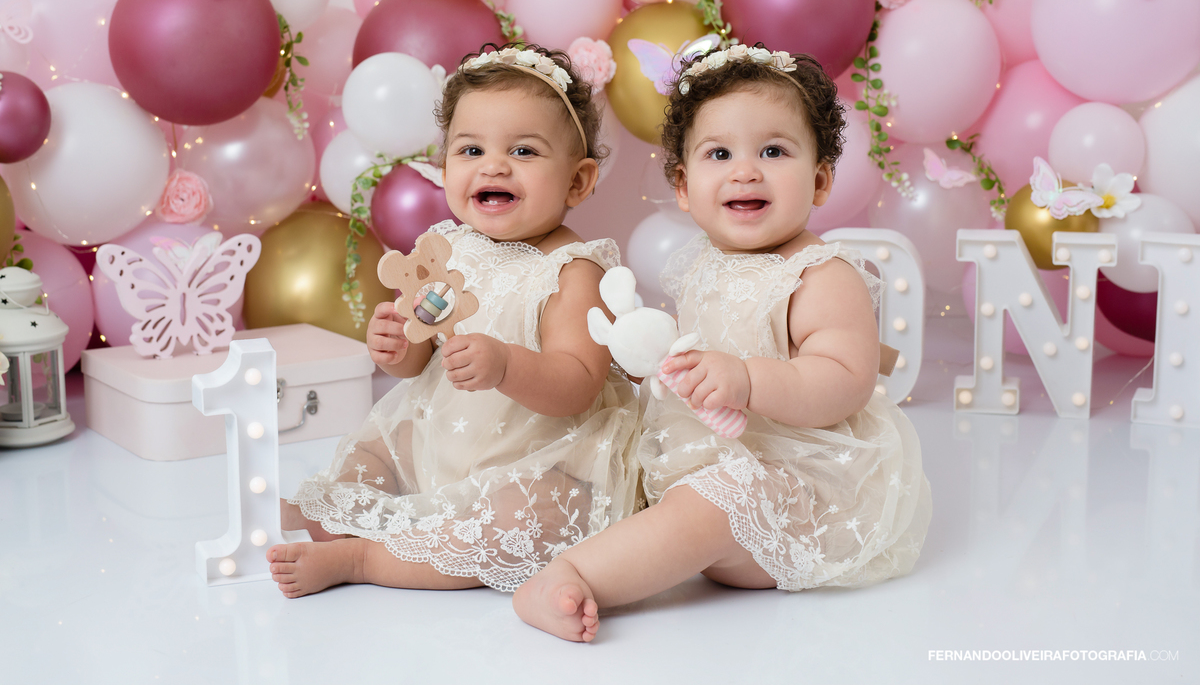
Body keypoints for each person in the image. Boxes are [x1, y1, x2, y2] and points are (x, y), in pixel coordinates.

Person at [514, 44, 932, 641]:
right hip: (701, 459)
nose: (745, 171)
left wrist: (748, 379)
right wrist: (660, 369)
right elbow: (702, 350)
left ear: (819, 180)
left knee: (713, 504)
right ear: (684, 187)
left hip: (794, 487)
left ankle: (573, 577)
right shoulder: (705, 264)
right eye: (719, 153)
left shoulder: (822, 273)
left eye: (773, 151)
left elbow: (845, 380)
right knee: (611, 466)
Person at [268, 44, 640, 597]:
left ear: (578, 181)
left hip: (537, 457)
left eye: (523, 150)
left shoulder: (573, 271)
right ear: (444, 168)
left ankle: (366, 560)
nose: (494, 165)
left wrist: (507, 364)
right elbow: (420, 353)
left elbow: (578, 385)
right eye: (471, 149)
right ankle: (335, 512)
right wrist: (395, 345)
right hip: (444, 437)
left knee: (525, 520)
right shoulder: (445, 250)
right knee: (379, 449)